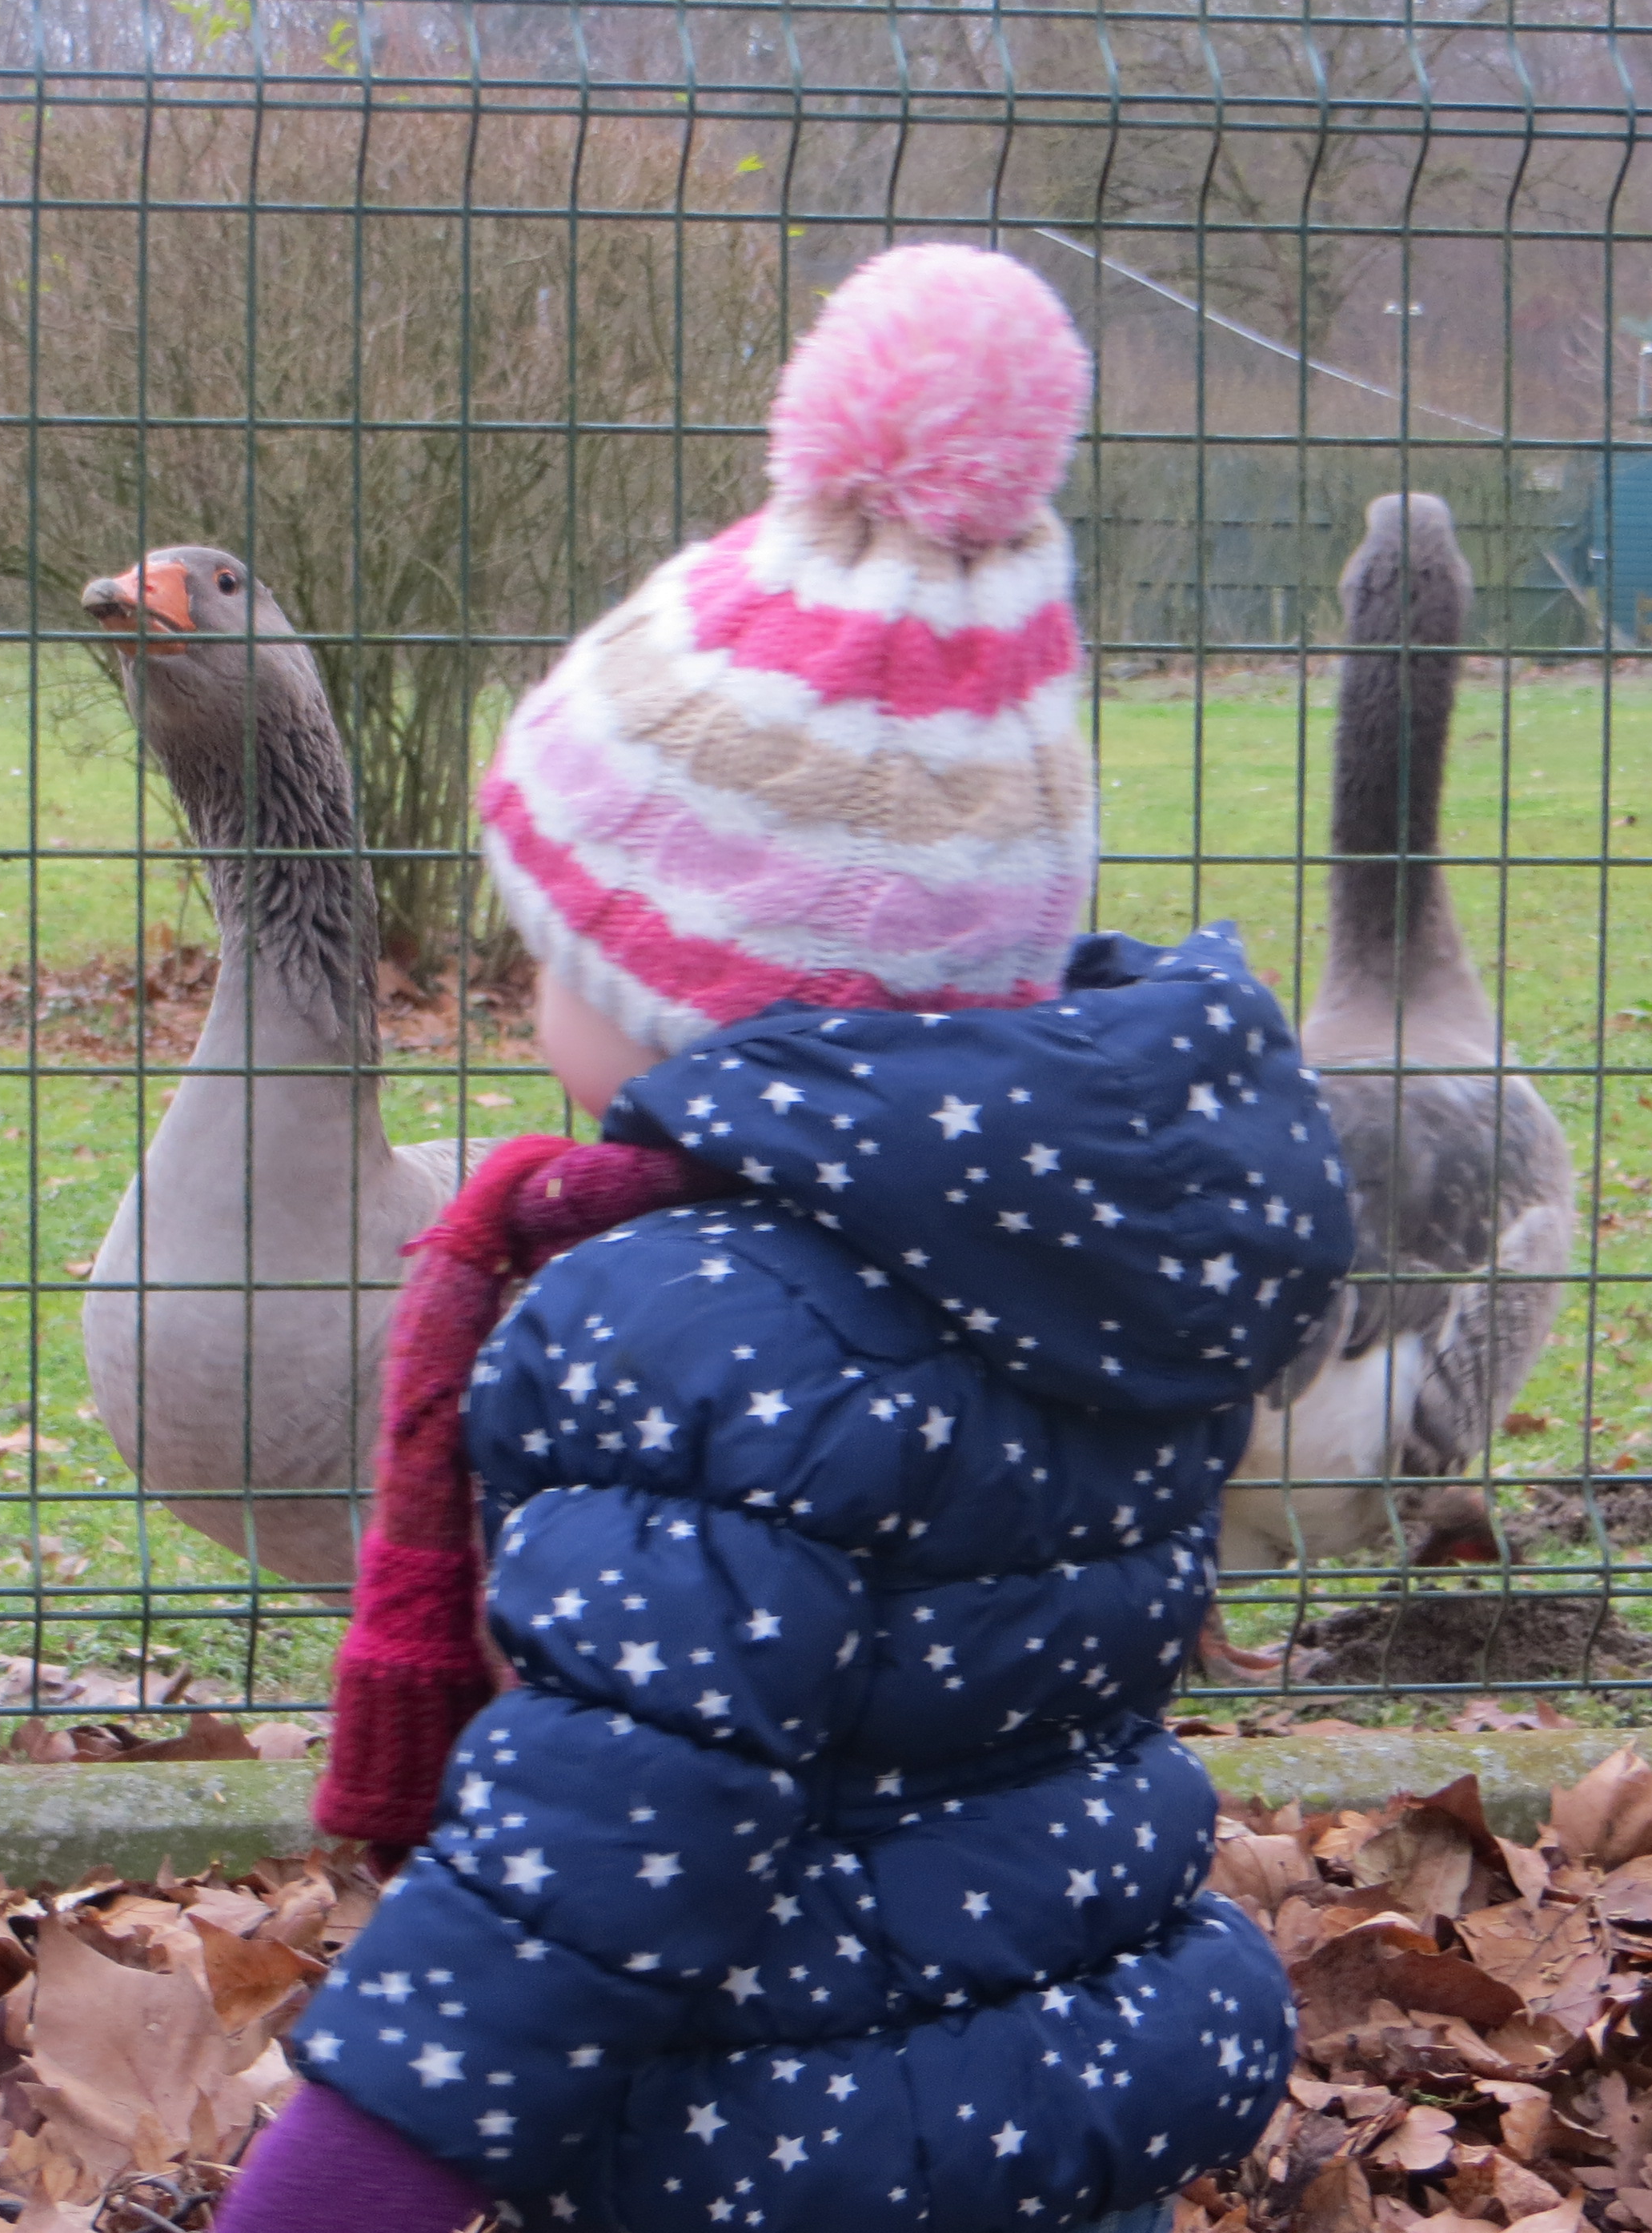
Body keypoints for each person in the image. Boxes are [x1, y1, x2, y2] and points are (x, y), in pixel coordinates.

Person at [219, 242, 1350, 2233]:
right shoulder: (1070, 1240)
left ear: (678, 995)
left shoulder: (687, 1336)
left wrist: (317, 2198)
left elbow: (585, 1868)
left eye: (549, 942)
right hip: (1063, 2091)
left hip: (777, 2157)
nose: (524, 990)